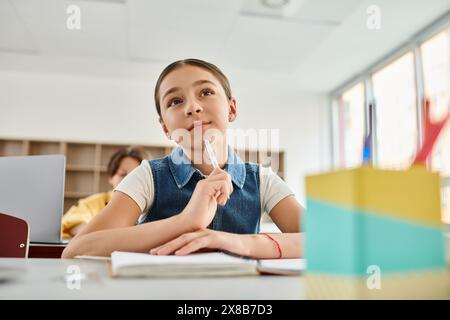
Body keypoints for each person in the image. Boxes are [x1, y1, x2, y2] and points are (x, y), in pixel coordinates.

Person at [62, 59, 303, 259]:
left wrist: (238, 243)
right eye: (175, 101)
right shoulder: (148, 176)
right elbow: (76, 250)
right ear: (165, 127)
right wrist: (185, 222)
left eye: (206, 92)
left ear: (231, 109)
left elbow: (328, 245)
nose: (193, 107)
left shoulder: (263, 180)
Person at [61, 147, 146, 238]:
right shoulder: (94, 202)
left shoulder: (150, 204)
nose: (128, 180)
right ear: (111, 178)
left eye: (135, 175)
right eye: (122, 174)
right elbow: (71, 225)